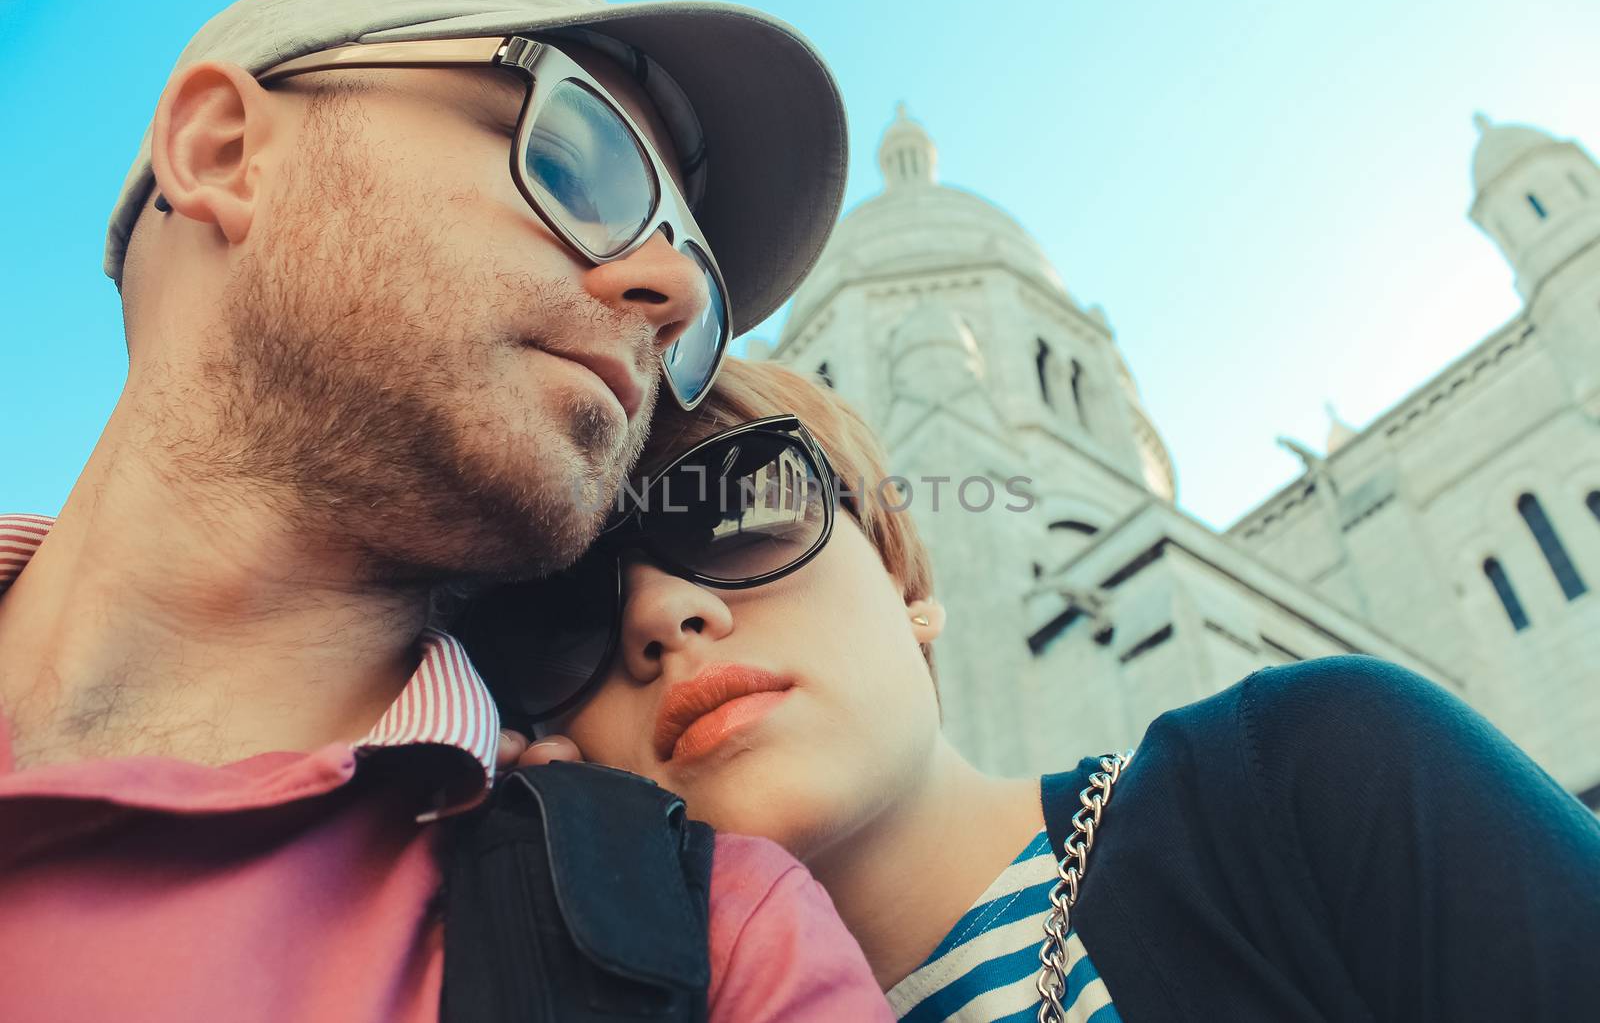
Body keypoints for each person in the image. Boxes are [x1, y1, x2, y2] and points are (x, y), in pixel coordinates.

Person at [0, 0, 894, 1020]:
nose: (677, 293)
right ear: (226, 152)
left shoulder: (709, 944)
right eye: (574, 162)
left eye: (698, 296)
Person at [490, 356, 1600, 1022]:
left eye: (740, 507)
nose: (660, 612)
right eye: (561, 609)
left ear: (906, 578)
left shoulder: (1314, 773)